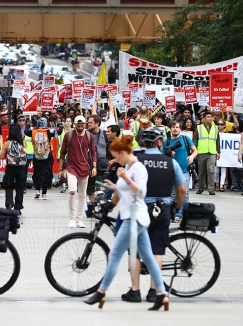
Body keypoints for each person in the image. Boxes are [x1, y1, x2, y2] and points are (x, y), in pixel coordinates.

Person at [84, 134, 169, 312]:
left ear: (122, 153)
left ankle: (101, 292)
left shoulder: (137, 169)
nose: (115, 160)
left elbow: (141, 192)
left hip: (133, 218)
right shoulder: (130, 167)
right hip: (136, 217)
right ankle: (161, 294)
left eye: (116, 156)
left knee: (115, 255)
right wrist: (114, 187)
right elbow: (129, 191)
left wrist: (125, 179)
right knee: (149, 257)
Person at [122, 127, 185, 303]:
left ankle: (134, 291)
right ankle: (153, 291)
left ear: (142, 142)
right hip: (162, 209)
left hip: (139, 210)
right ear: (159, 142)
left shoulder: (135, 161)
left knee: (134, 251)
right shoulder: (171, 162)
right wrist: (175, 208)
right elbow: (181, 189)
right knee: (157, 250)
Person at [58, 115, 97, 228]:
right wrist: (60, 169)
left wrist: (94, 166)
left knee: (82, 195)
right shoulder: (68, 135)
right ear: (74, 125)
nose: (80, 128)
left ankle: (79, 219)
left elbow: (93, 152)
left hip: (85, 167)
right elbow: (62, 153)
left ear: (85, 125)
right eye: (78, 125)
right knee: (72, 191)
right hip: (71, 167)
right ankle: (72, 218)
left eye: (82, 125)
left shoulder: (89, 136)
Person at [164, 121, 198, 222]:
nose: (175, 129)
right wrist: (169, 154)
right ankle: (176, 213)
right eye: (173, 127)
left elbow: (195, 150)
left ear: (180, 129)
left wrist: (192, 156)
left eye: (177, 127)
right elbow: (162, 156)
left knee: (185, 193)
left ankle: (183, 213)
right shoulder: (167, 141)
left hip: (184, 170)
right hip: (172, 171)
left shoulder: (185, 139)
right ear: (170, 129)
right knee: (174, 194)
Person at [0, 123, 28, 213]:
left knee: (8, 186)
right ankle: (18, 207)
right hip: (22, 167)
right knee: (20, 187)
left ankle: (9, 204)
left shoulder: (7, 143)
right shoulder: (23, 143)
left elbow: (2, 156)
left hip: (11, 167)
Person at [27, 117, 57, 200]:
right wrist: (60, 125)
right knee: (47, 174)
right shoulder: (49, 131)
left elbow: (26, 132)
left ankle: (37, 190)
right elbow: (59, 132)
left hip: (37, 155)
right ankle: (44, 193)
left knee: (36, 173)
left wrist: (28, 125)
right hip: (47, 156)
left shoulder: (33, 132)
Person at [194, 111, 221, 195]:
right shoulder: (199, 128)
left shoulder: (215, 128)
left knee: (211, 170)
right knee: (201, 172)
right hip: (201, 152)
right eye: (208, 117)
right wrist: (195, 151)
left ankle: (211, 189)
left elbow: (217, 141)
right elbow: (195, 141)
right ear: (204, 118)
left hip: (212, 152)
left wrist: (218, 151)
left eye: (211, 117)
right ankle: (201, 188)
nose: (210, 118)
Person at [85, 114, 108, 202]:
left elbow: (109, 149)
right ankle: (94, 207)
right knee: (90, 189)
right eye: (88, 123)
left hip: (101, 165)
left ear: (97, 123)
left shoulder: (105, 134)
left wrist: (109, 161)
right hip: (89, 165)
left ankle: (100, 209)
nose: (88, 124)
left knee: (100, 189)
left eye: (91, 123)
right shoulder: (85, 134)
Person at [213, 119, 228, 192]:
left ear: (225, 125)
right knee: (216, 170)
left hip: (224, 153)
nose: (220, 125)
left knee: (223, 169)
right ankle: (216, 184)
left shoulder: (228, 134)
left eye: (222, 124)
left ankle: (222, 185)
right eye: (218, 124)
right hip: (216, 152)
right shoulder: (215, 133)